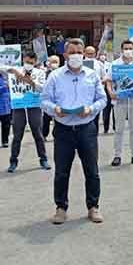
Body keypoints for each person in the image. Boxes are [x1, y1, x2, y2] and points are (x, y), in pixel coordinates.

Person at [41, 38, 106, 225]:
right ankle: (61, 208)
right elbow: (44, 100)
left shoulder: (92, 75)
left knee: (92, 170)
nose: (75, 55)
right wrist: (55, 109)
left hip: (86, 128)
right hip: (63, 130)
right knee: (62, 171)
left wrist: (91, 109)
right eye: (72, 52)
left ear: (84, 54)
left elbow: (102, 99)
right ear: (65, 55)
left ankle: (93, 207)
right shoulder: (54, 76)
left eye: (79, 52)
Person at [7, 51, 50, 173]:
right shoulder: (16, 70)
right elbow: (1, 68)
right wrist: (15, 72)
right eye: (26, 62)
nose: (28, 64)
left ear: (35, 62)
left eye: (31, 63)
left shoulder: (40, 73)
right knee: (17, 135)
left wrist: (30, 81)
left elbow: (42, 88)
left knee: (38, 133)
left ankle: (43, 159)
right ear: (23, 61)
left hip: (34, 105)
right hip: (19, 106)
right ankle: (13, 161)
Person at [106, 39, 133, 167]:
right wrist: (111, 92)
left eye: (130, 48)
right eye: (125, 48)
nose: (128, 51)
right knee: (119, 129)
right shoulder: (115, 64)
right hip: (119, 100)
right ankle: (117, 155)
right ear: (122, 50)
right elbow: (109, 80)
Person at [42, 55, 60, 140]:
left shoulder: (62, 73)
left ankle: (57, 135)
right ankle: (44, 135)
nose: (54, 64)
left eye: (56, 62)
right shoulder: (44, 73)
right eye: (52, 62)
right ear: (48, 63)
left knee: (58, 119)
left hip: (59, 100)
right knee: (46, 118)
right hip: (48, 100)